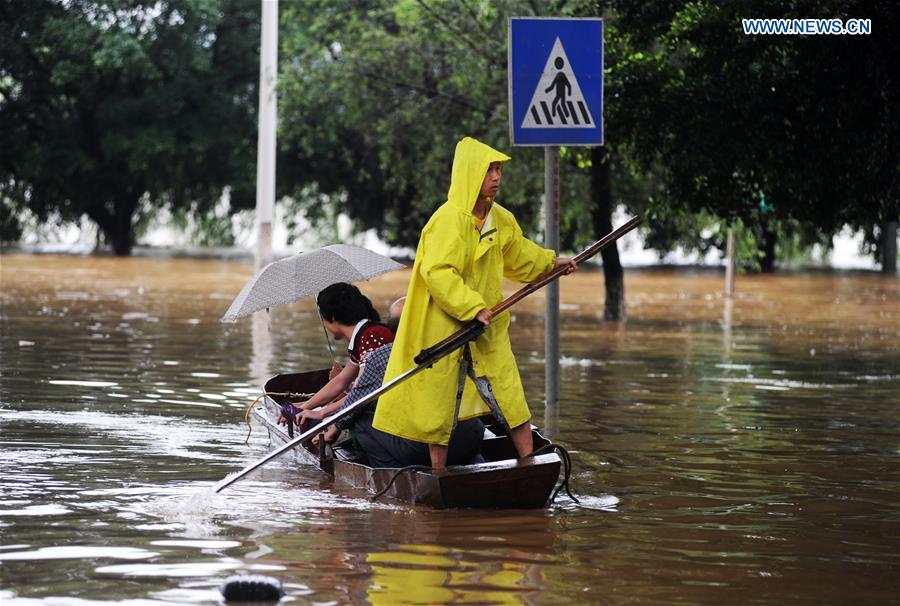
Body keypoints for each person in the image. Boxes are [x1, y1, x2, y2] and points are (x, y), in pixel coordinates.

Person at [372, 136, 576, 468]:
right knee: (440, 404)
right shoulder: (447, 220)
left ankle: (529, 465)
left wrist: (553, 263)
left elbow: (520, 254)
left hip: (488, 325)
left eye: (498, 170)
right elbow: (438, 272)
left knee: (509, 394)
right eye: (489, 170)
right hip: (445, 327)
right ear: (470, 174)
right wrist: (471, 307)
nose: (496, 177)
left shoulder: (500, 219)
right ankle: (438, 475)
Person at [310, 297, 485, 468]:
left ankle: (391, 473)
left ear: (392, 328)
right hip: (473, 438)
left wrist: (334, 428)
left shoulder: (381, 356)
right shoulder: (458, 347)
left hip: (426, 445)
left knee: (361, 421)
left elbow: (356, 404)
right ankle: (475, 461)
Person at [276, 282, 393, 428]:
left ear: (332, 317)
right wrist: (305, 406)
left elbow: (361, 393)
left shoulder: (372, 336)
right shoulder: (364, 335)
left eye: (322, 318)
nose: (323, 324)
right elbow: (340, 381)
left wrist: (322, 413)